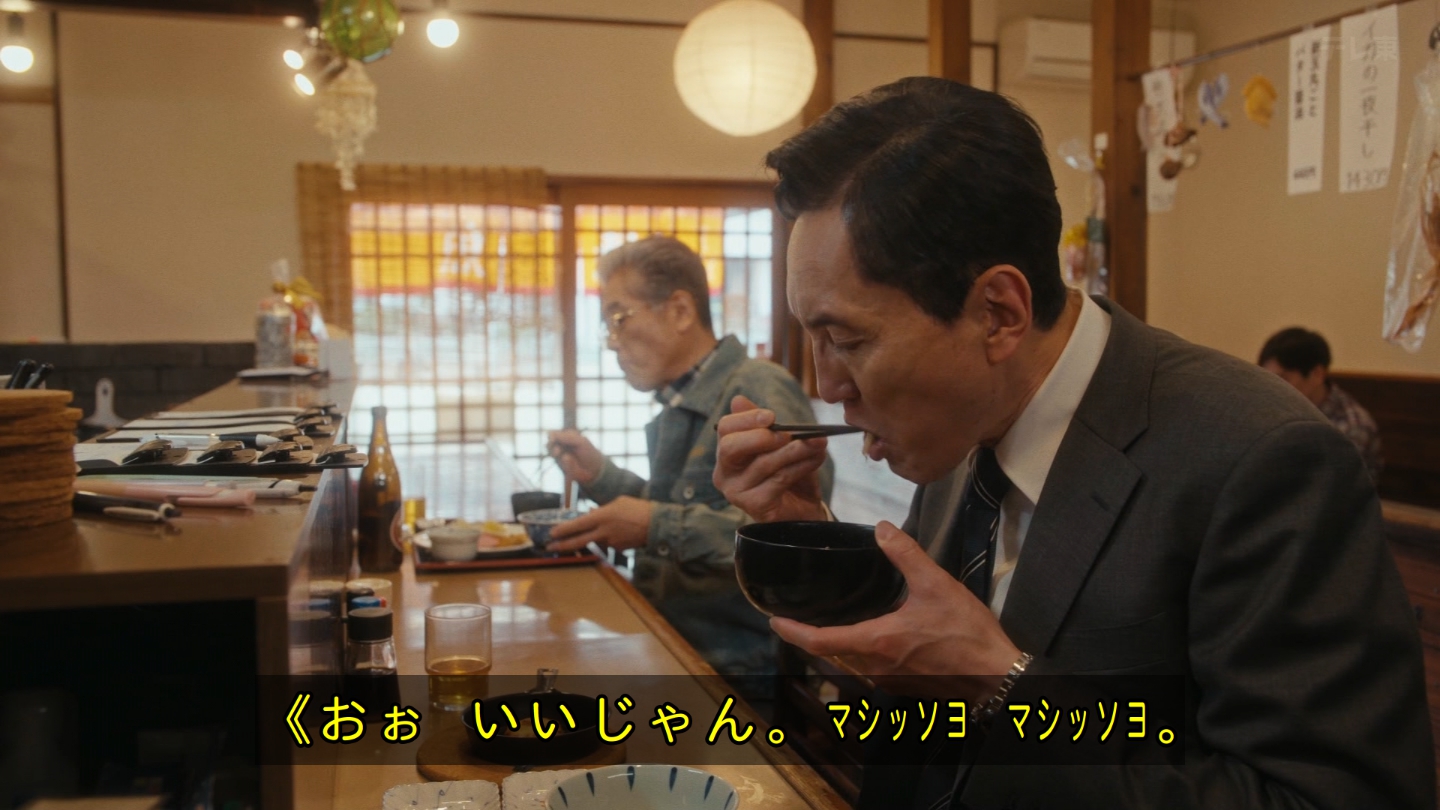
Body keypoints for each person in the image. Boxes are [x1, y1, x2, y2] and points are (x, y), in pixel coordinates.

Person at [713, 77, 1433, 809]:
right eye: (812, 336)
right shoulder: (962, 422)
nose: (826, 384)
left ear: (998, 313)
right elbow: (928, 670)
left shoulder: (1261, 460)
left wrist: (1002, 690)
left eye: (846, 340)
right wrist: (815, 547)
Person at [546, 235, 833, 700]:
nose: (612, 342)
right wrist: (600, 475)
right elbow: (677, 506)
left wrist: (655, 525)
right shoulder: (680, 399)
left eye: (618, 319)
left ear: (680, 311)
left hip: (737, 671)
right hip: (667, 643)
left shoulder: (758, 391)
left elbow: (795, 542)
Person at [1259, 326, 1383, 480]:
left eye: (1283, 379)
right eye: (1268, 379)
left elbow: (1328, 486)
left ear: (1317, 374)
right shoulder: (1276, 410)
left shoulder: (1352, 426)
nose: (1274, 389)